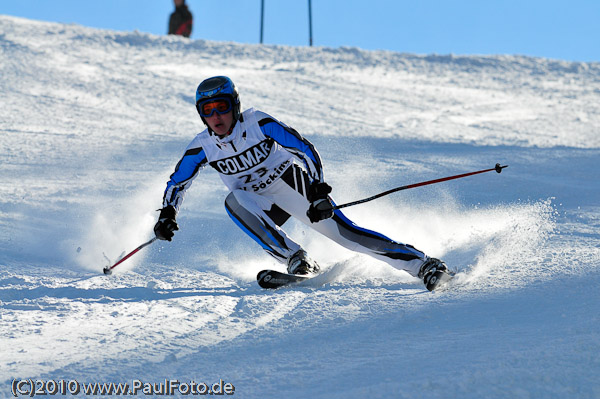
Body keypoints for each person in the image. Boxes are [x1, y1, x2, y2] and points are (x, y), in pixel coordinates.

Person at [154, 76, 451, 291]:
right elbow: (178, 182)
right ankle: (297, 259)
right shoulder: (202, 146)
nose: (216, 115)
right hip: (258, 202)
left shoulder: (257, 122)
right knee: (233, 201)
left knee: (347, 236)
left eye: (221, 106)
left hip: (290, 183)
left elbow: (304, 149)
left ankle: (423, 264)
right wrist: (168, 214)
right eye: (208, 110)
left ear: (235, 105)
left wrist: (318, 190)